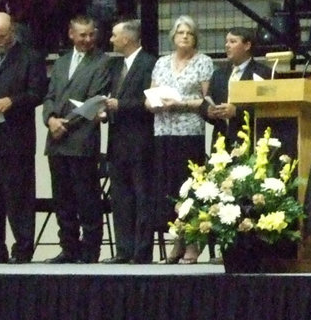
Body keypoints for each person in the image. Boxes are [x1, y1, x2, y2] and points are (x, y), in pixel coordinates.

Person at [42, 16, 112, 263]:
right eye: (82, 35)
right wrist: (50, 119)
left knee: (87, 199)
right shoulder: (60, 63)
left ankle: (90, 250)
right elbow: (49, 96)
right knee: (62, 199)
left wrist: (66, 124)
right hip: (56, 142)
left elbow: (94, 100)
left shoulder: (102, 63)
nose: (87, 39)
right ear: (71, 34)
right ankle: (68, 248)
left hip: (82, 141)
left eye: (91, 34)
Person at [149, 15, 214, 264]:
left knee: (189, 188)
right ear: (173, 37)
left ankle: (193, 244)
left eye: (189, 32)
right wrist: (151, 103)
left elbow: (208, 101)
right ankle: (176, 240)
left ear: (195, 37)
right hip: (163, 131)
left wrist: (181, 103)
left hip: (189, 132)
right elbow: (151, 94)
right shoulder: (162, 63)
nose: (184, 36)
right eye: (180, 32)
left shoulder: (203, 62)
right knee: (168, 189)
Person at [0, 12, 48, 263]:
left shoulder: (30, 58)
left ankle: (23, 249)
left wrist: (13, 101)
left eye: (2, 36)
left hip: (16, 139)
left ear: (12, 32)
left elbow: (37, 93)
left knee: (19, 197)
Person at [102, 19, 157, 263]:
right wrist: (104, 109)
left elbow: (150, 101)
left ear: (127, 38)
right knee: (120, 197)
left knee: (141, 195)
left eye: (115, 35)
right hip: (117, 140)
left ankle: (141, 250)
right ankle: (123, 249)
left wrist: (120, 105)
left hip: (140, 140)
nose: (111, 40)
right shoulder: (115, 66)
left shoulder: (149, 63)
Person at [203, 26, 271, 149]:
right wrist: (209, 111)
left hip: (250, 142)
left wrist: (236, 112)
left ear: (247, 45)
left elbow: (267, 109)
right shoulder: (218, 74)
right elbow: (205, 103)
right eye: (226, 41)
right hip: (221, 143)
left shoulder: (263, 73)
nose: (227, 45)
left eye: (233, 41)